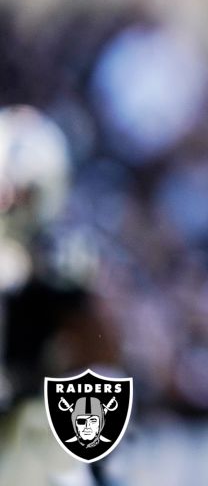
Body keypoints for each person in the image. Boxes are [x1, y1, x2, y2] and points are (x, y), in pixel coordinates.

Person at [0, 105, 114, 486]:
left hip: (28, 417)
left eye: (20, 190)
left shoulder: (62, 255)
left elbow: (95, 354)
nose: (9, 200)